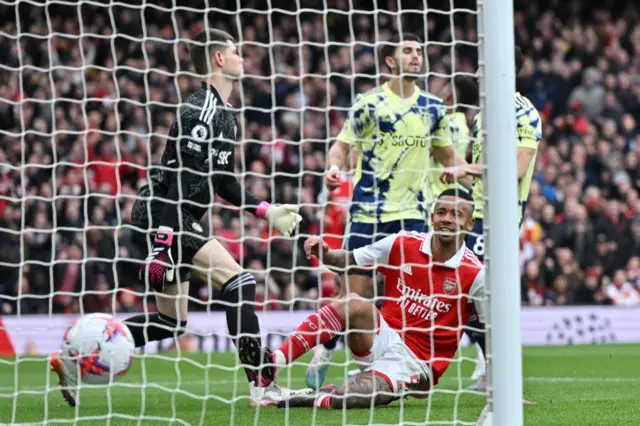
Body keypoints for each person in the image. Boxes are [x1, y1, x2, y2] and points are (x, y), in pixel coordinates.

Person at [49, 29, 305, 407]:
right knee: (240, 282)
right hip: (167, 212)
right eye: (235, 51)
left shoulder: (225, 115)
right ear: (218, 58)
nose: (241, 57)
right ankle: (263, 385)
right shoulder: (201, 108)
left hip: (171, 215)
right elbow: (180, 178)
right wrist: (166, 242)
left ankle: (75, 356)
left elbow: (222, 181)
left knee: (170, 322)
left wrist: (266, 211)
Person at [306, 32, 471, 389]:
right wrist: (333, 168)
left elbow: (448, 158)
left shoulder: (433, 108)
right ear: (391, 61)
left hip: (413, 216)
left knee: (409, 302)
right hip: (368, 211)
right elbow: (340, 147)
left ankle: (386, 369)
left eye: (419, 51)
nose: (416, 56)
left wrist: (474, 173)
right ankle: (327, 347)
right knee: (356, 296)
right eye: (408, 51)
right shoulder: (370, 104)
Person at [264, 188, 485, 409]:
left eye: (456, 214)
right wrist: (325, 253)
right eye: (442, 212)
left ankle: (319, 397)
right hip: (381, 336)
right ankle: (274, 363)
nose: (446, 219)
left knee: (351, 395)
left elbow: (490, 329)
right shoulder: (402, 243)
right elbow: (350, 259)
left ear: (469, 224)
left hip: (417, 363)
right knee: (353, 302)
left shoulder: (476, 273)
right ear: (432, 217)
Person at [441, 47, 543, 390]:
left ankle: (501, 378)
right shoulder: (483, 115)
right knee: (465, 295)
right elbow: (480, 174)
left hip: (500, 219)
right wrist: (457, 174)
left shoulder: (523, 113)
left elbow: (515, 170)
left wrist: (466, 167)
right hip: (475, 216)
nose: (478, 73)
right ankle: (492, 371)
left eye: (485, 66)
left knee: (475, 294)